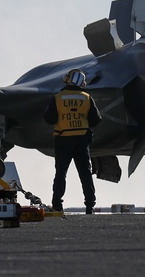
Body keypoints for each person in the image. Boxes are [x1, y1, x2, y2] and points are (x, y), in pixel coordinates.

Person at [43, 68, 102, 214]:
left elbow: (49, 119)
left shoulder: (58, 98)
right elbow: (96, 120)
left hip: (63, 140)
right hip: (82, 141)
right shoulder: (87, 98)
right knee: (85, 173)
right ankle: (90, 205)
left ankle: (57, 205)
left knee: (61, 173)